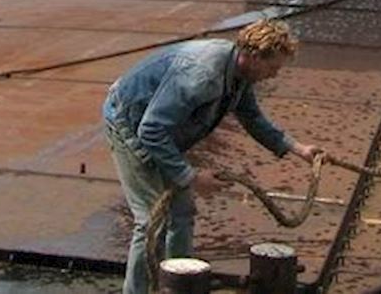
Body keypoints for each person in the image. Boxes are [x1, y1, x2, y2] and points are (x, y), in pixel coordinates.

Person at [102, 19, 320, 294]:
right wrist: (191, 177)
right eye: (273, 67)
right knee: (151, 222)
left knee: (182, 212)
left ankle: (180, 285)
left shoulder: (240, 73)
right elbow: (151, 130)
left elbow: (252, 117)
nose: (274, 74)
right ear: (253, 56)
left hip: (163, 131)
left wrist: (297, 148)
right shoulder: (203, 76)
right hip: (130, 125)